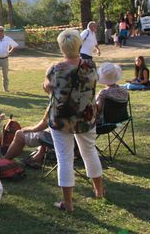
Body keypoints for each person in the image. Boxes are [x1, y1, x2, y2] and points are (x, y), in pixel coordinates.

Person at [42, 28, 104, 213]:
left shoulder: (55, 69)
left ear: (62, 47)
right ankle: (99, 191)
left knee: (64, 159)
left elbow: (47, 88)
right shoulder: (91, 66)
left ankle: (68, 203)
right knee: (89, 152)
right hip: (86, 117)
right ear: (79, 45)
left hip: (62, 119)